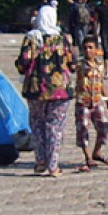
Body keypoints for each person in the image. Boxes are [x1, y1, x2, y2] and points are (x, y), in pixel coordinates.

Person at [15, 15, 75, 177]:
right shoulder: (62, 39)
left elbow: (23, 63)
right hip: (60, 89)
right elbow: (73, 63)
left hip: (36, 89)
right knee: (55, 127)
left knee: (37, 125)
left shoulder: (31, 38)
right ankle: (53, 165)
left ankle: (40, 160)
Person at [74, 37, 108, 171]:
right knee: (83, 128)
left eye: (90, 47)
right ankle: (88, 157)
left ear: (96, 50)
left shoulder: (99, 65)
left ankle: (97, 151)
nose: (87, 51)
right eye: (85, 48)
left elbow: (101, 83)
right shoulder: (80, 65)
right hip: (83, 101)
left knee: (104, 126)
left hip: (97, 100)